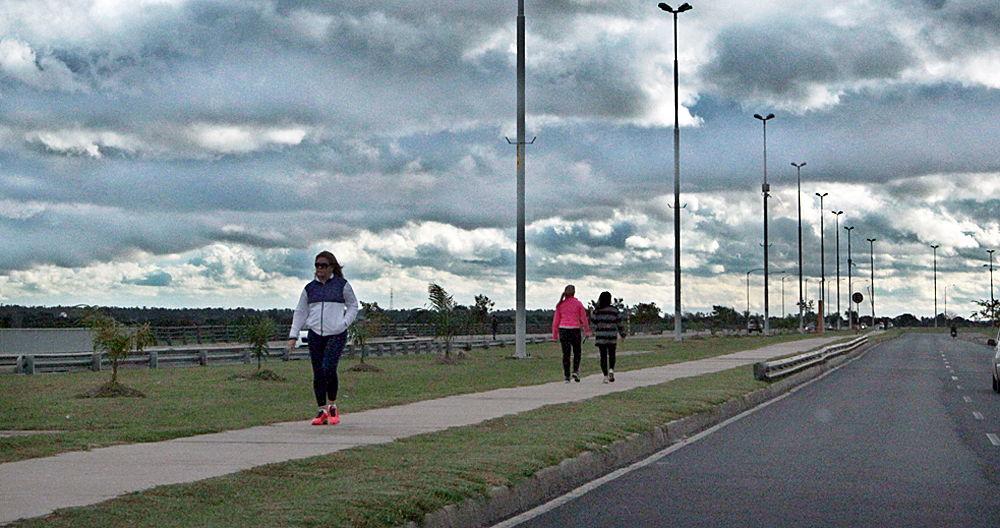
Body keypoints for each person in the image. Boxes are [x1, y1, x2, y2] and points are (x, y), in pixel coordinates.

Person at [286, 251, 358, 425]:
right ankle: (322, 410)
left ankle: (332, 406)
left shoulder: (342, 285)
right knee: (318, 373)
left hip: (336, 333)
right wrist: (293, 335)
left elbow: (353, 305)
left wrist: (344, 323)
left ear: (332, 267)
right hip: (315, 334)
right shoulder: (310, 289)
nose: (319, 268)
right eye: (317, 265)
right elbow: (301, 312)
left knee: (329, 368)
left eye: (323, 265)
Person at [552, 285, 592, 382]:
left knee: (566, 354)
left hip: (563, 329)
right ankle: (575, 371)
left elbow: (556, 321)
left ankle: (567, 376)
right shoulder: (578, 304)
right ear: (574, 292)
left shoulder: (560, 304)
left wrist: (555, 335)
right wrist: (587, 331)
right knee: (577, 352)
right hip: (575, 329)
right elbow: (584, 318)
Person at [591, 291, 626, 383]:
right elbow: (619, 323)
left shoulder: (598, 311)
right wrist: (622, 334)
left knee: (603, 356)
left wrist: (592, 312)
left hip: (601, 336)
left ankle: (605, 376)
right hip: (611, 335)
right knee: (612, 354)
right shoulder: (614, 310)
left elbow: (593, 321)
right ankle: (611, 369)